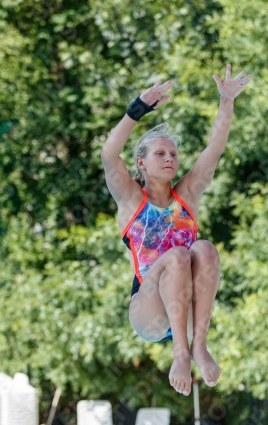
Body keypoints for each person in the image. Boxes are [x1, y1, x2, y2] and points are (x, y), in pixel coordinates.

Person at [101, 64, 252, 396]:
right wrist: (136, 109)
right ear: (141, 163)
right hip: (150, 309)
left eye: (173, 153)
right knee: (178, 255)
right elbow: (109, 154)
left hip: (185, 307)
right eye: (160, 153)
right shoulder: (130, 199)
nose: (169, 158)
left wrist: (226, 102)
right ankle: (180, 355)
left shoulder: (187, 195)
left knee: (205, 248)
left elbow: (214, 150)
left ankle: (199, 346)